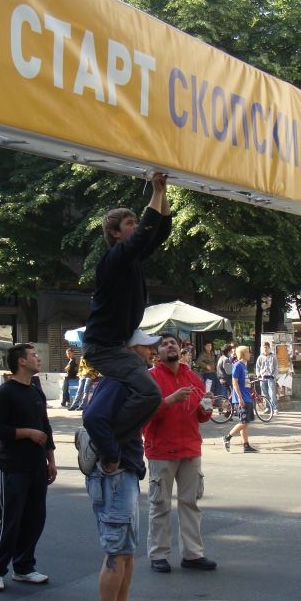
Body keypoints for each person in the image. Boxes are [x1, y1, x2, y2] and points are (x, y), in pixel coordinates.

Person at [83, 328, 160, 601]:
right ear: (129, 350)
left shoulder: (125, 381)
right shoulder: (117, 381)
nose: (151, 351)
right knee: (116, 549)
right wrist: (113, 455)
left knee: (126, 549)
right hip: (114, 476)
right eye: (146, 346)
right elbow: (93, 418)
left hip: (123, 473)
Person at [82, 172, 172, 440]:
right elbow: (144, 234)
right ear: (115, 233)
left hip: (114, 346)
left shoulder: (131, 260)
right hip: (104, 348)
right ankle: (100, 438)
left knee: (143, 395)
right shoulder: (114, 260)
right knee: (151, 393)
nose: (136, 226)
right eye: (129, 223)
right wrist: (156, 192)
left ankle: (107, 436)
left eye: (135, 222)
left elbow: (161, 232)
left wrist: (164, 194)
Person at [0, 343, 57, 592]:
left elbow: (45, 428)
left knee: (35, 518)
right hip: (11, 466)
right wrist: (27, 433)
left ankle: (24, 567)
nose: (39, 358)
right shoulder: (4, 393)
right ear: (21, 362)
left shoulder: (36, 391)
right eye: (34, 355)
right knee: (10, 519)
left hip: (36, 465)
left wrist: (51, 460)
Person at [144, 333, 217, 573]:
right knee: (160, 505)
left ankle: (193, 554)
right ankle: (158, 554)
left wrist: (208, 404)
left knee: (190, 504)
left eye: (173, 343)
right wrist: (169, 401)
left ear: (180, 348)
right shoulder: (150, 378)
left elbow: (202, 417)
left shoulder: (192, 377)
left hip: (190, 449)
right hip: (161, 450)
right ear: (157, 353)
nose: (169, 346)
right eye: (164, 344)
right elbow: (142, 412)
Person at [223, 345, 258, 453]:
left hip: (247, 396)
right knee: (244, 422)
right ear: (243, 354)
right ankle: (227, 437)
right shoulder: (237, 365)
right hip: (242, 398)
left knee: (245, 422)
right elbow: (235, 382)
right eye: (248, 352)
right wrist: (239, 398)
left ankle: (246, 445)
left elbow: (244, 382)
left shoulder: (244, 366)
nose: (250, 354)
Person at [256, 341, 279, 414]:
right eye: (264, 348)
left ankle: (275, 408)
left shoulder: (273, 357)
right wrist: (258, 375)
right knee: (265, 394)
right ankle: (267, 407)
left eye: (266, 347)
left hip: (271, 378)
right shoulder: (260, 357)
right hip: (263, 378)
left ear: (269, 348)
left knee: (272, 394)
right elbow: (257, 367)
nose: (265, 349)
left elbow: (276, 367)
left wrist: (274, 376)